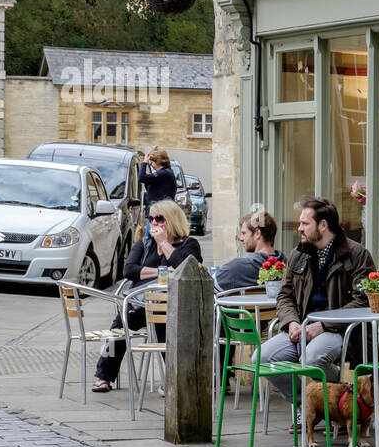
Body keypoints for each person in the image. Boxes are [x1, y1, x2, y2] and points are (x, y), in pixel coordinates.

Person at [260, 196, 376, 400]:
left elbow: (362, 301)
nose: (299, 228)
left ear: (323, 225)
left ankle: (339, 399)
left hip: (342, 331)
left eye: (305, 223)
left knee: (311, 359)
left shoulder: (357, 255)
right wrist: (292, 322)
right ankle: (305, 405)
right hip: (302, 327)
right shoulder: (298, 254)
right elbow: (284, 295)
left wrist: (323, 325)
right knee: (263, 357)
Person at [92, 199, 203, 393]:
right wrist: (162, 271)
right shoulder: (145, 243)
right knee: (117, 328)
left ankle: (172, 378)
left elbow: (185, 267)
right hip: (139, 303)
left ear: (172, 220)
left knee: (164, 327)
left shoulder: (188, 244)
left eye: (160, 219)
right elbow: (129, 270)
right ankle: (103, 376)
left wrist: (164, 244)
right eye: (151, 218)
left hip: (172, 305)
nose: (154, 223)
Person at [214, 206, 280, 291]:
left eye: (244, 233)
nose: (241, 238)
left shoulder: (236, 268)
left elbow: (207, 287)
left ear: (257, 233)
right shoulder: (287, 266)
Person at [139, 147, 177, 216]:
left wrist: (144, 162)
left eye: (152, 162)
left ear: (157, 161)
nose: (150, 164)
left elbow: (141, 177)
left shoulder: (164, 173)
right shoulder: (166, 173)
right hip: (157, 213)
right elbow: (151, 190)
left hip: (159, 215)